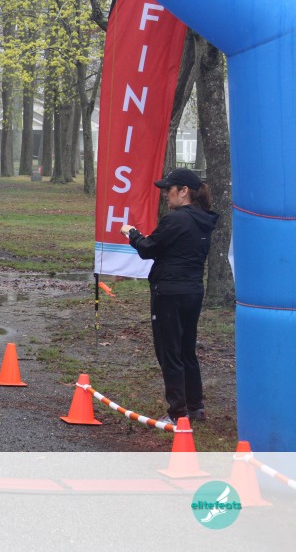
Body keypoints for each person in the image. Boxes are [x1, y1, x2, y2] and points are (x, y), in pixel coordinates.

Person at [120, 168, 218, 426]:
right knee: (186, 350)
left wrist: (132, 233)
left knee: (169, 352)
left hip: (169, 292)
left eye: (169, 189)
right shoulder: (204, 219)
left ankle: (177, 413)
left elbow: (148, 249)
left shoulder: (175, 219)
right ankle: (195, 407)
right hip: (193, 290)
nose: (165, 194)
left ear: (184, 191)